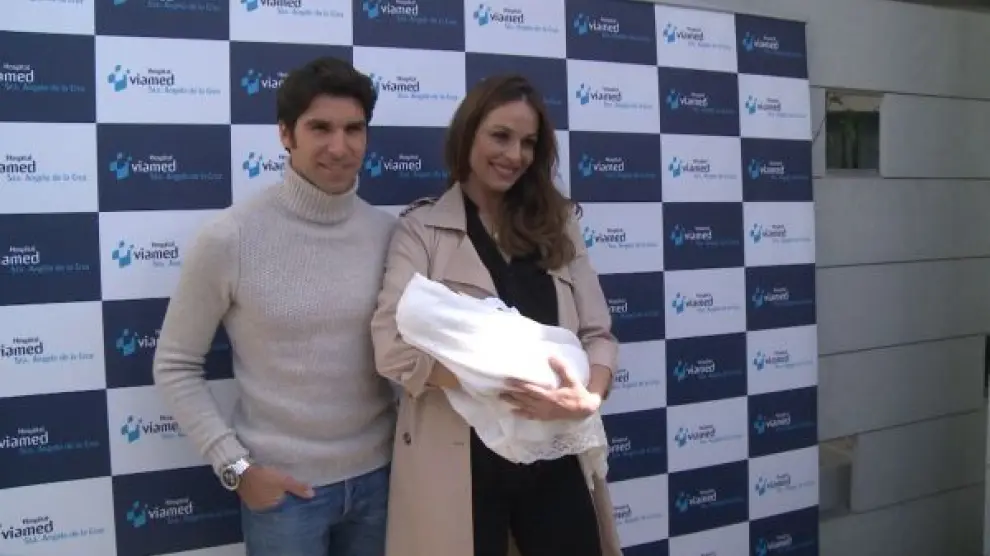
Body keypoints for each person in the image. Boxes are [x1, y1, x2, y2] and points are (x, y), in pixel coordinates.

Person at [370, 74, 623, 556]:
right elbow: (390, 349)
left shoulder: (559, 225)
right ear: (468, 134)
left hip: (556, 454)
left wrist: (585, 399)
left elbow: (599, 335)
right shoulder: (421, 230)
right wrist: (499, 383)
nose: (514, 155)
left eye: (528, 143)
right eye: (501, 136)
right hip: (458, 466)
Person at [152, 56, 396, 556]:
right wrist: (236, 468)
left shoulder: (389, 234)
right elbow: (175, 364)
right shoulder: (231, 237)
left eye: (354, 129)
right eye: (320, 128)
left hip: (382, 482)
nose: (339, 146)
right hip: (284, 496)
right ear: (286, 134)